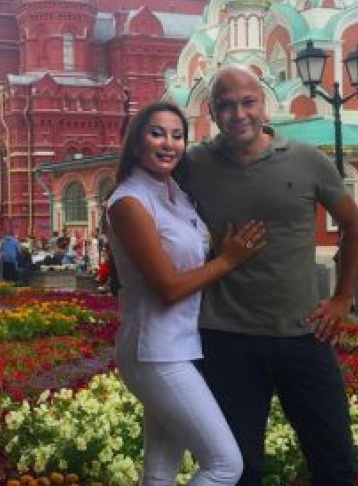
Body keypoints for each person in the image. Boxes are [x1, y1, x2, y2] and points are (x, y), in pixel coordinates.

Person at [177, 65, 358, 486]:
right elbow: (145, 184)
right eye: (226, 105)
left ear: (263, 104)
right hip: (226, 338)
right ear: (212, 111)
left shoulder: (306, 160)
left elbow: (354, 225)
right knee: (240, 469)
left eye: (248, 102)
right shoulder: (194, 164)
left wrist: (343, 297)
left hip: (303, 334)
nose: (238, 114)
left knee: (334, 459)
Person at [107, 101, 266, 486]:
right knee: (225, 465)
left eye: (177, 136)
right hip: (154, 350)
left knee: (160, 472)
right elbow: (168, 288)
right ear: (136, 142)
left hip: (180, 344)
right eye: (157, 133)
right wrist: (228, 260)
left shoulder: (175, 193)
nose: (169, 144)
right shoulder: (129, 201)